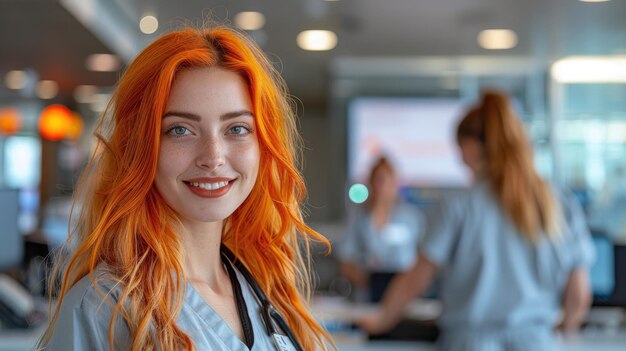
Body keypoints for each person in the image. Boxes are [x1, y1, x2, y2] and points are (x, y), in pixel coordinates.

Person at [37, 26, 333, 351]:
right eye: (180, 129)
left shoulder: (265, 290)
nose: (213, 157)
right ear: (139, 146)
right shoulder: (102, 307)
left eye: (236, 128)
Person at [359, 91, 595, 350]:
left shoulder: (458, 206)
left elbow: (417, 279)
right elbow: (578, 294)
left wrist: (381, 319)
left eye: (459, 150)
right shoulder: (559, 203)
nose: (460, 160)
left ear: (471, 147)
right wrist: (559, 330)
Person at [336, 156, 424, 302]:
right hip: (367, 293)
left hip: (404, 295)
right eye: (377, 180)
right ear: (370, 182)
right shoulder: (359, 219)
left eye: (385, 180)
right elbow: (345, 260)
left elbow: (425, 258)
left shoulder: (411, 218)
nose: (381, 186)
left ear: (395, 183)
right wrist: (369, 281)